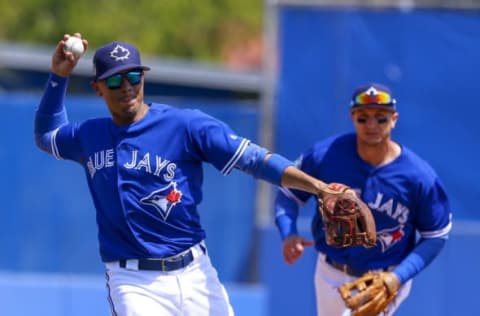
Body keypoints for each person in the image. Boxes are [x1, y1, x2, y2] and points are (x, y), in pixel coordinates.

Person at [33, 33, 343, 316]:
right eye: (115, 80)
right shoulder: (90, 135)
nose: (126, 86)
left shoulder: (185, 126)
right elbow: (47, 135)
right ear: (98, 88)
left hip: (195, 272)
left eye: (133, 76)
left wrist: (318, 188)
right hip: (134, 281)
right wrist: (59, 77)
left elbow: (255, 160)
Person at [274, 83, 452, 315]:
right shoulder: (326, 155)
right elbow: (288, 195)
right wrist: (288, 233)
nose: (371, 125)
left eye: (381, 118)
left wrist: (398, 277)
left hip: (382, 277)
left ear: (394, 119)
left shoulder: (418, 176)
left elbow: (435, 235)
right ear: (352, 117)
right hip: (329, 272)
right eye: (363, 118)